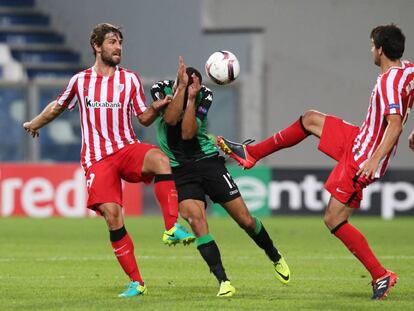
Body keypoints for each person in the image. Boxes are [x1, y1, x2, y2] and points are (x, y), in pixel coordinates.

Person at [218, 24, 414, 300]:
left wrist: (373, 161)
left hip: (362, 157)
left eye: (372, 45)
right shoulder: (407, 70)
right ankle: (253, 153)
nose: (371, 50)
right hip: (358, 138)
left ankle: (380, 274)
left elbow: (393, 125)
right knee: (310, 119)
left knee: (333, 218)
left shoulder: (388, 82)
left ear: (380, 50)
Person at [22, 23, 195, 298]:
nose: (118, 47)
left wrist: (155, 108)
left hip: (127, 148)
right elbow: (57, 106)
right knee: (113, 216)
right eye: (113, 42)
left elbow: (143, 118)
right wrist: (35, 123)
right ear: (97, 46)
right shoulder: (80, 81)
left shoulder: (130, 80)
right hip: (97, 159)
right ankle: (137, 283)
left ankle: (171, 226)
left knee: (161, 160)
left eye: (120, 42)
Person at [150, 56, 290, 297]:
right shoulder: (160, 89)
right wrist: (182, 90)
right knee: (196, 221)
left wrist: (191, 98)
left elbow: (186, 133)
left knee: (245, 220)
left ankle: (274, 254)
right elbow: (170, 119)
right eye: (183, 84)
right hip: (179, 170)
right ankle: (223, 281)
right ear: (176, 82)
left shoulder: (205, 95)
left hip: (208, 163)